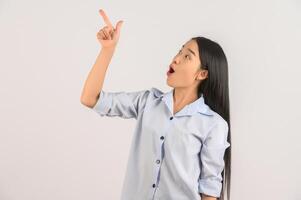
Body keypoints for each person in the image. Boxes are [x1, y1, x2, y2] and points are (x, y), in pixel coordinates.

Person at [80, 9, 231, 200]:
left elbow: (209, 189)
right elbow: (90, 98)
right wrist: (107, 50)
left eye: (187, 56)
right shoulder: (147, 103)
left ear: (202, 74)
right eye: (180, 51)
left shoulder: (213, 125)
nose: (176, 58)